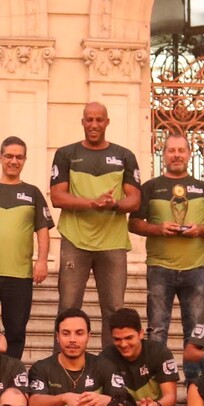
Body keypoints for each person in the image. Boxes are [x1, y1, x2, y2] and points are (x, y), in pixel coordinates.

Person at [47, 103, 139, 321]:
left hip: (113, 242)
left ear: (107, 122)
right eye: (89, 120)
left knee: (115, 310)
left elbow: (135, 199)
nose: (94, 124)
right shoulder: (65, 154)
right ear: (82, 122)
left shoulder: (125, 155)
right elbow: (57, 196)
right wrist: (91, 203)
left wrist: (114, 205)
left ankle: (111, 357)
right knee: (68, 308)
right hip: (75, 240)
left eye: (99, 120)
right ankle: (61, 356)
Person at [0, 136, 54, 359]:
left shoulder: (33, 193)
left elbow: (43, 230)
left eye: (19, 157)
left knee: (15, 331)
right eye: (9, 156)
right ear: (0, 158)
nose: (13, 161)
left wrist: (42, 260)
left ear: (24, 160)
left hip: (20, 277)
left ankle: (11, 375)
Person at [135, 129, 204, 349]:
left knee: (195, 332)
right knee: (156, 330)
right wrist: (158, 228)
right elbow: (133, 223)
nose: (176, 155)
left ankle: (194, 383)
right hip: (159, 268)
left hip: (195, 269)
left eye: (181, 150)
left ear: (189, 153)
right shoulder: (151, 187)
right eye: (171, 150)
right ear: (163, 154)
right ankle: (158, 380)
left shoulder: (203, 188)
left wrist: (199, 230)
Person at [100, 306, 189, 406]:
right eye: (117, 339)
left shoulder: (158, 352)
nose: (123, 344)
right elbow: (108, 399)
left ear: (141, 334)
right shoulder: (107, 357)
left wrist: (155, 405)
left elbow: (171, 396)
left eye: (129, 338)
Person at [24, 310, 109, 406]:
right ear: (57, 337)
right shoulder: (42, 368)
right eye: (66, 333)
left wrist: (104, 400)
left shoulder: (103, 365)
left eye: (79, 333)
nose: (72, 340)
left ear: (89, 336)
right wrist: (63, 398)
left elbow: (125, 402)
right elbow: (32, 403)